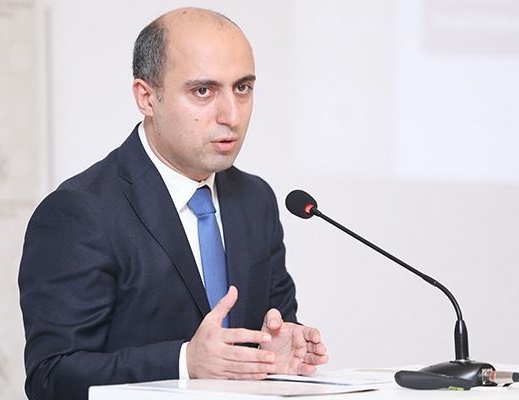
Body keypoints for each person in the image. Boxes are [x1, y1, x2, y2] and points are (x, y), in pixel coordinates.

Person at [18, 7, 328, 400]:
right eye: (203, 91)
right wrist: (184, 363)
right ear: (147, 97)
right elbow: (51, 378)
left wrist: (274, 356)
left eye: (242, 88)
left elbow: (271, 328)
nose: (231, 115)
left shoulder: (256, 200)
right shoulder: (79, 213)